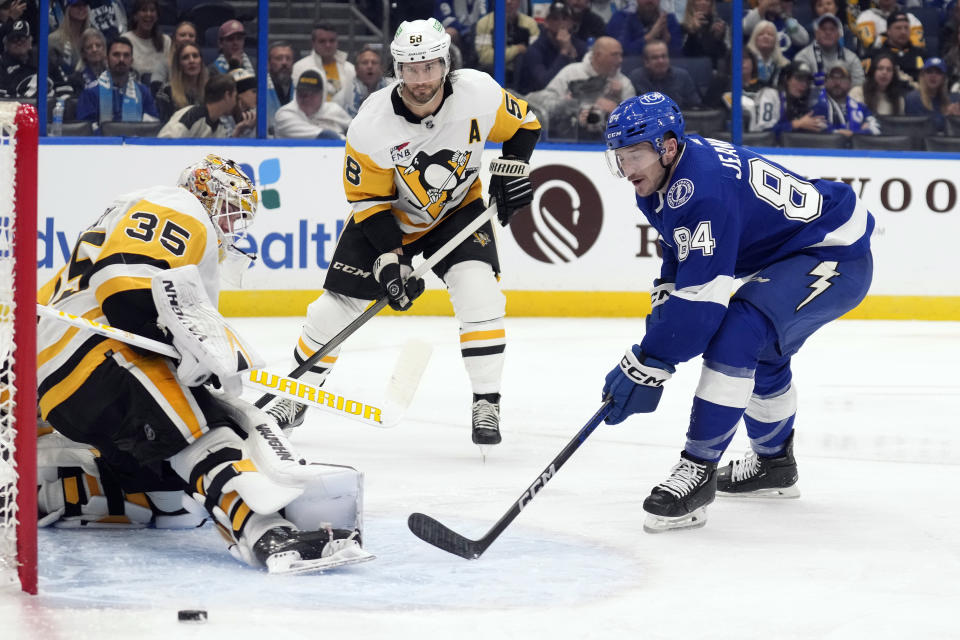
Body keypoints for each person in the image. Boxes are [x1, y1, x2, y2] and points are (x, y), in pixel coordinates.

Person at [35, 154, 371, 573]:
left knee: (175, 503)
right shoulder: (178, 205)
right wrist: (189, 348)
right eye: (232, 211)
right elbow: (125, 288)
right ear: (207, 194)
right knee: (211, 432)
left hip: (59, 381)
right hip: (105, 356)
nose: (232, 227)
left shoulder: (113, 224)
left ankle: (46, 493)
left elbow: (44, 316)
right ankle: (266, 533)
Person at [600, 92, 874, 533]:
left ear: (667, 146)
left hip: (836, 253)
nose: (626, 169)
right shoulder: (661, 182)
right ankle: (774, 465)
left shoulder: (702, 189)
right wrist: (663, 312)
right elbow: (680, 250)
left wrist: (648, 363)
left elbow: (702, 312)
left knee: (737, 333)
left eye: (634, 154)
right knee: (760, 345)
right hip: (792, 253)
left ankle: (697, 469)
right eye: (619, 156)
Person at [266, 18, 541, 447]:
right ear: (396, 70)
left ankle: (486, 401)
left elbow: (526, 124)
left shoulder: (479, 93)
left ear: (445, 63)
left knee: (480, 293)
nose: (421, 80)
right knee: (331, 310)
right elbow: (370, 203)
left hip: (459, 210)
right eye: (410, 69)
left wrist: (512, 170)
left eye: (429, 66)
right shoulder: (371, 124)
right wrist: (390, 262)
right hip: (390, 217)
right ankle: (296, 391)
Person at [532, 36, 635, 141]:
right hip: (567, 140)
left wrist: (617, 108)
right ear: (598, 55)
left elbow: (633, 123)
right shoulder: (570, 73)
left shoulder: (624, 83)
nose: (620, 60)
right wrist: (569, 104)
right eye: (614, 55)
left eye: (621, 55)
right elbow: (541, 104)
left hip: (609, 142)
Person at [77, 36, 158, 129]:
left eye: (126, 55)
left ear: (132, 61)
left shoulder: (143, 92)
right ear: (107, 59)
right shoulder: (91, 92)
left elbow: (152, 128)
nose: (121, 60)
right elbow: (85, 131)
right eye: (116, 55)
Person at [516, 2, 587, 94]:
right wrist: (564, 53)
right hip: (537, 100)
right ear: (546, 23)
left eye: (565, 19)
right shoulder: (535, 50)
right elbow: (544, 84)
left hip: (570, 98)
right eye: (555, 19)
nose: (561, 23)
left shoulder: (580, 46)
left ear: (571, 23)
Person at [0, 20, 74, 100]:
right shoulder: (2, 63)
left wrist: (59, 105)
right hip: (15, 109)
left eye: (23, 39)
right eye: (14, 39)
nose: (19, 43)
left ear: (30, 40)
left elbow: (65, 88)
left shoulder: (43, 58)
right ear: (6, 43)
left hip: (49, 108)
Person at [794, 13, 865, 89]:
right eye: (823, 29)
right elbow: (797, 87)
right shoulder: (803, 57)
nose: (828, 33)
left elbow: (859, 88)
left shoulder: (851, 58)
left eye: (832, 29)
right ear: (816, 33)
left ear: (839, 34)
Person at [274, 69, 351, 138]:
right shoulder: (285, 114)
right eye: (301, 93)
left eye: (312, 93)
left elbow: (356, 130)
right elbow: (325, 136)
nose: (306, 98)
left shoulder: (334, 110)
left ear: (322, 95)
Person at [292, 23, 356, 105]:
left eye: (332, 41)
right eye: (322, 41)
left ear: (337, 42)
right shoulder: (300, 67)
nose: (328, 45)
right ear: (313, 43)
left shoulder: (350, 69)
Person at [158, 73, 237, 138]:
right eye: (235, 97)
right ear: (227, 96)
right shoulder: (192, 116)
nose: (236, 102)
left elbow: (214, 156)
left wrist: (237, 132)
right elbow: (165, 144)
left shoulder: (220, 127)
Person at [474, 0, 539, 79]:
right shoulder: (484, 23)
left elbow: (537, 57)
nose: (508, 2)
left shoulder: (530, 23)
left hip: (522, 79)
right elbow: (485, 57)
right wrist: (517, 49)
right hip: (493, 77)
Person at [811, 62, 881, 135]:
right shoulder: (816, 104)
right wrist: (840, 134)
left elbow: (876, 129)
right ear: (825, 81)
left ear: (850, 82)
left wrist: (854, 134)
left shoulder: (860, 108)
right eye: (832, 77)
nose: (837, 83)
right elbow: (816, 127)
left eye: (842, 78)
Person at [628, 39, 702, 109]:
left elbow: (695, 106)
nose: (661, 61)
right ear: (646, 62)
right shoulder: (636, 78)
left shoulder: (682, 76)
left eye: (664, 56)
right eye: (655, 58)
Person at [606, 0, 685, 56]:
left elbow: (678, 56)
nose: (650, 1)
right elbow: (621, 53)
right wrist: (650, 36)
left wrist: (666, 39)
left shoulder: (668, 19)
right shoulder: (621, 17)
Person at [120, 0, 170, 88]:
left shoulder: (165, 41)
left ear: (157, 16)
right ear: (135, 16)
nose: (148, 14)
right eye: (144, 10)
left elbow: (170, 74)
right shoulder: (125, 40)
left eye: (152, 10)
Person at [155, 41, 208, 122]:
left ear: (201, 61)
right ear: (178, 64)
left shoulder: (210, 90)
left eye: (195, 56)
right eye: (185, 57)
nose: (191, 61)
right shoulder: (167, 91)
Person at [904, 56, 960, 132]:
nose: (933, 76)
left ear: (944, 78)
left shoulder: (954, 99)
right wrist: (948, 117)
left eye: (938, 72)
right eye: (929, 72)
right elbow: (924, 127)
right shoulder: (913, 99)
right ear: (922, 76)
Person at [855, 0, 925, 56]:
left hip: (907, 59)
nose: (902, 31)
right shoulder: (865, 17)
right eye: (898, 28)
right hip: (877, 61)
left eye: (905, 28)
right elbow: (872, 45)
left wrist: (885, 38)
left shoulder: (911, 18)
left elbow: (917, 46)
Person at [338, 45, 390, 118]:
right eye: (365, 63)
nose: (370, 66)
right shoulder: (344, 94)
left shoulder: (393, 89)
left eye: (374, 62)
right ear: (356, 69)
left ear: (382, 68)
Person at [849, 50, 907, 115]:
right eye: (880, 68)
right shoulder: (857, 92)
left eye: (889, 69)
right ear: (873, 72)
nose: (884, 73)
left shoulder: (899, 100)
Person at [743, 0, 809, 54]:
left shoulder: (788, 21)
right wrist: (765, 5)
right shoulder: (748, 14)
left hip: (785, 67)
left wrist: (787, 17)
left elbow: (803, 41)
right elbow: (746, 27)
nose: (776, 2)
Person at [876, 10, 925, 82]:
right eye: (898, 28)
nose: (903, 32)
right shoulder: (876, 55)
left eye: (906, 28)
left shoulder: (922, 54)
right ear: (888, 31)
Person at [679, 0, 728, 67]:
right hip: (690, 68)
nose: (703, 2)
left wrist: (719, 39)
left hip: (713, 70)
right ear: (692, 3)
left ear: (711, 4)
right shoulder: (683, 27)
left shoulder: (718, 25)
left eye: (707, 0)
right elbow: (682, 54)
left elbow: (724, 57)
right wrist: (692, 31)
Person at [48, 0, 91, 77]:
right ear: (67, 8)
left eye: (84, 4)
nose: (81, 8)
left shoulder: (94, 39)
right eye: (76, 5)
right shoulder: (53, 40)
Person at [747, 19, 789, 87]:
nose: (765, 37)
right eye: (761, 34)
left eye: (770, 35)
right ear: (755, 38)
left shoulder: (784, 65)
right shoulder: (745, 60)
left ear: (775, 41)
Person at [67, 27, 107, 92]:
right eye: (89, 47)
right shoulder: (75, 80)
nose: (94, 50)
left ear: (104, 49)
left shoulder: (114, 73)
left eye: (98, 45)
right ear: (83, 53)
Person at [266, 41, 295, 128]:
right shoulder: (260, 89)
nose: (284, 63)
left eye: (288, 58)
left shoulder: (299, 87)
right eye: (279, 58)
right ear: (268, 63)